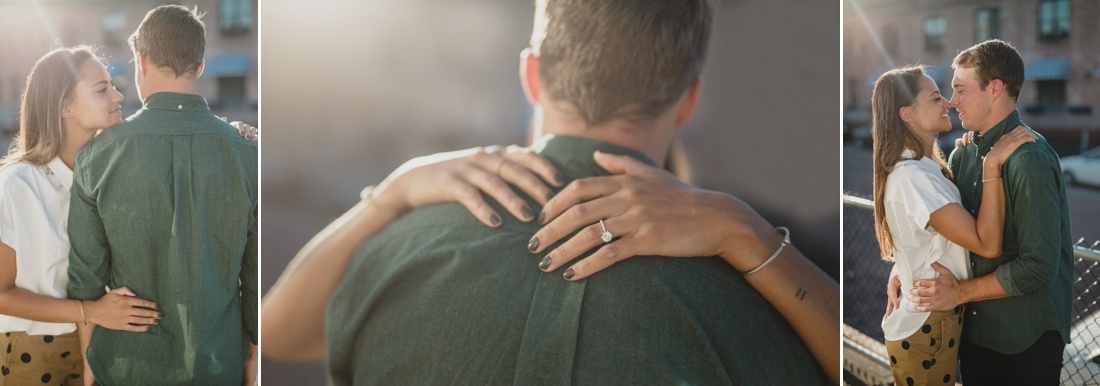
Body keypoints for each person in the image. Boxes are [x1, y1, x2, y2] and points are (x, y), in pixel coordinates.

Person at [263, 0, 839, 383]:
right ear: (687, 101)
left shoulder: (396, 251)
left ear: (532, 76)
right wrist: (750, 233)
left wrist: (388, 197)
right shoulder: (761, 307)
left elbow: (275, 334)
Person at [65, 5, 257, 385]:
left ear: (141, 60)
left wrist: (90, 363)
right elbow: (254, 275)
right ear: (199, 66)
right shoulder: (247, 153)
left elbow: (85, 278)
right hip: (219, 365)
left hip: (125, 366)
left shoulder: (97, 156)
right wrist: (253, 355)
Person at [897, 40, 1073, 385]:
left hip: (1025, 338)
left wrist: (960, 293)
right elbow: (948, 231)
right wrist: (899, 270)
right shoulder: (962, 155)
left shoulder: (1029, 159)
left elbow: (1039, 267)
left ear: (994, 88)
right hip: (974, 334)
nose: (952, 101)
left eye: (961, 90)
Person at [0, 45, 165, 386]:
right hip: (31, 352)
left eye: (113, 85)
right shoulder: (16, 185)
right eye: (102, 89)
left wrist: (235, 136)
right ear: (64, 105)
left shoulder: (116, 174)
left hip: (104, 345)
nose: (118, 96)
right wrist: (90, 311)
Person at [870, 65, 1033, 385]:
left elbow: (921, 235)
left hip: (933, 318)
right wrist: (992, 164)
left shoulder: (925, 165)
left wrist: (904, 267)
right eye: (934, 98)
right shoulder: (912, 176)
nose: (947, 101)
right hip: (927, 323)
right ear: (908, 114)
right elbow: (986, 243)